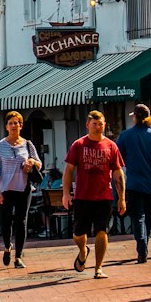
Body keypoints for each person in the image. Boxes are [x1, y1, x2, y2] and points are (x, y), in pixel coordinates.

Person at [62, 111, 126, 279]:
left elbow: (118, 173)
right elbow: (69, 170)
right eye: (95, 124)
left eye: (101, 124)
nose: (98, 127)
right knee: (78, 234)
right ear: (88, 125)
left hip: (104, 196)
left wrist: (122, 198)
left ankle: (98, 268)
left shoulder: (111, 146)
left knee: (101, 232)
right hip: (82, 196)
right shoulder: (79, 144)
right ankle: (83, 251)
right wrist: (66, 194)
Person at [115, 104, 151, 263]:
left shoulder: (125, 136)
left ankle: (142, 248)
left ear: (135, 117)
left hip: (133, 184)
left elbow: (117, 159)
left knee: (137, 217)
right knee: (148, 217)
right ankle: (144, 246)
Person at [0, 111, 42, 269]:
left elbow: (39, 165)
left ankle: (18, 256)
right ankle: (7, 247)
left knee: (21, 221)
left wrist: (31, 161)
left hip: (23, 188)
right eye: (11, 123)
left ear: (21, 125)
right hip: (5, 189)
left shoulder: (27, 144)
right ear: (6, 126)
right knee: (6, 222)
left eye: (17, 123)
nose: (14, 126)